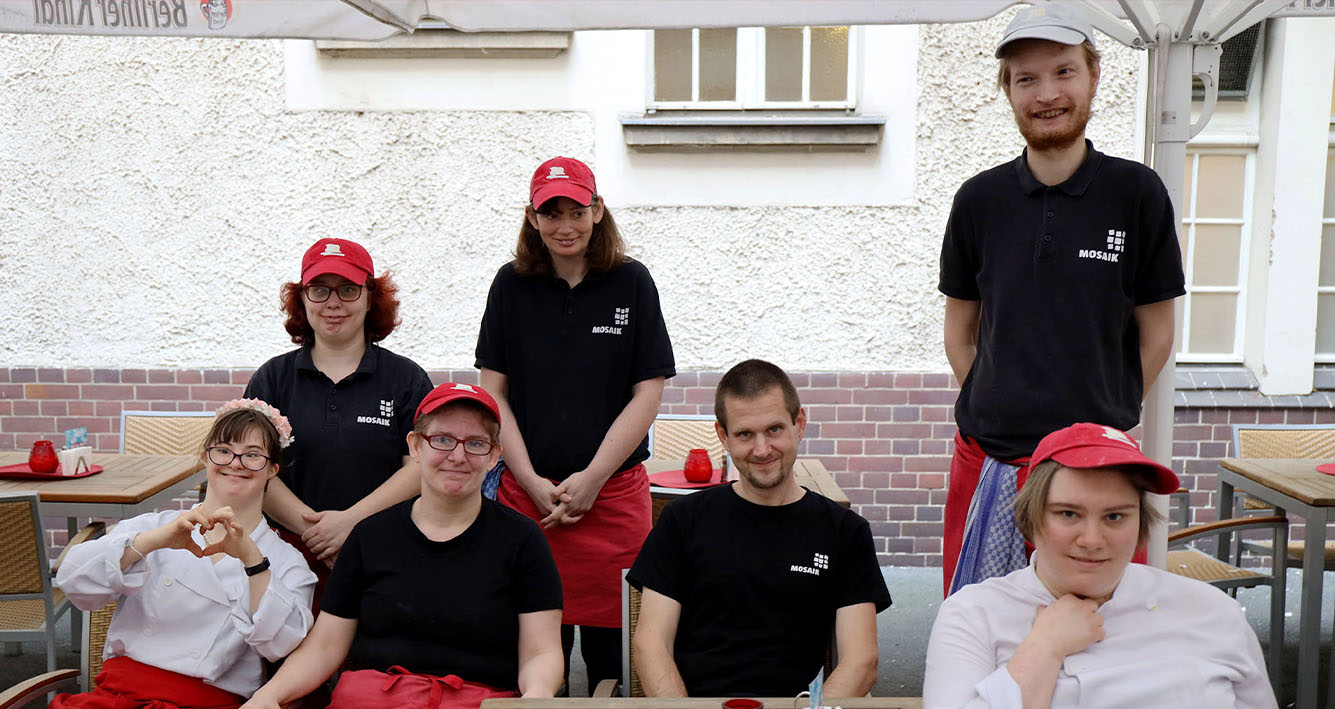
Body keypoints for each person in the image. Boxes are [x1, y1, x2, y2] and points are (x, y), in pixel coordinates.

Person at [938, 4, 1185, 594]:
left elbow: (1158, 333)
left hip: (1099, 476)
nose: (1046, 93)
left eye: (1063, 72)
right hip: (989, 463)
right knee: (983, 630)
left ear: (1093, 76)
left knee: (1102, 635)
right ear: (1009, 91)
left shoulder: (1137, 193)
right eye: (1026, 79)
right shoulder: (979, 200)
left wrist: (1101, 408)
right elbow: (959, 331)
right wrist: (1000, 399)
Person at [475, 155, 675, 691]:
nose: (565, 226)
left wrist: (592, 478)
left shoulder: (632, 282)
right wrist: (530, 481)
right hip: (529, 500)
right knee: (542, 657)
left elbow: (647, 392)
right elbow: (493, 395)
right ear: (532, 218)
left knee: (619, 659)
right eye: (551, 213)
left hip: (611, 500)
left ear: (598, 210)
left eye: (576, 211)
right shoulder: (509, 286)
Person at [242, 382, 565, 709]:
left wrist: (537, 695)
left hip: (476, 702)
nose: (457, 455)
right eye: (441, 440)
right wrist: (268, 696)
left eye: (476, 443)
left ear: (495, 455)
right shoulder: (369, 537)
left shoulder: (522, 540)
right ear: (415, 446)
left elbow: (542, 651)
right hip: (373, 700)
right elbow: (325, 646)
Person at [923, 423, 1276, 709]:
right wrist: (1044, 649)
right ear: (1030, 519)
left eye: (1115, 516)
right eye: (1069, 514)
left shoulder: (1214, 612)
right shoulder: (974, 615)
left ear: (1140, 524)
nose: (1092, 539)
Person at [627, 359, 891, 698]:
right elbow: (651, 645)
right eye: (745, 434)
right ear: (723, 435)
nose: (762, 449)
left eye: (775, 429)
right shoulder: (683, 520)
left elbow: (861, 661)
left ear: (800, 424)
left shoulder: (844, 532)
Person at [54, 400, 316, 708]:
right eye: (223, 450)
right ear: (205, 457)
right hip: (116, 696)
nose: (235, 463)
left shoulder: (286, 560)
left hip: (208, 700)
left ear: (272, 469)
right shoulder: (157, 526)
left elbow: (281, 645)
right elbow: (72, 581)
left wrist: (252, 561)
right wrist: (153, 541)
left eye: (252, 455)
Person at [244, 237, 433, 595]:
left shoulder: (406, 379)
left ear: (369, 297)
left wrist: (351, 524)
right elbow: (249, 470)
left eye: (347, 289)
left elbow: (421, 466)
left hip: (384, 554)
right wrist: (319, 534)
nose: (333, 303)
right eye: (319, 290)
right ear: (302, 298)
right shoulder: (271, 379)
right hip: (285, 556)